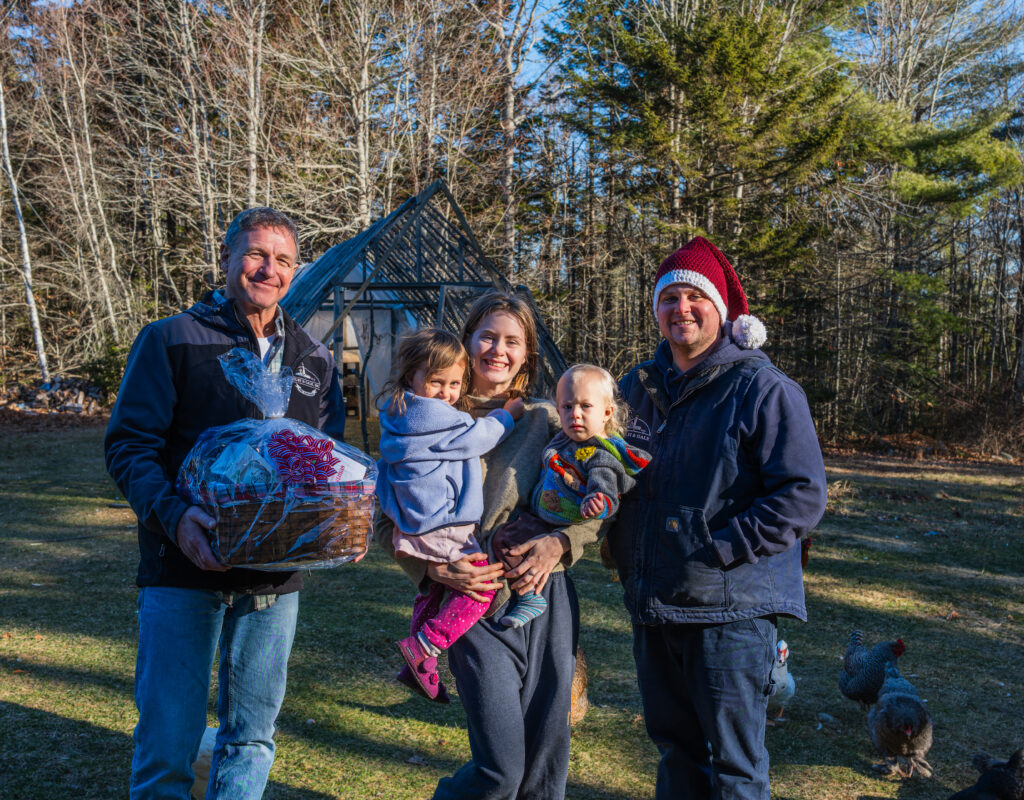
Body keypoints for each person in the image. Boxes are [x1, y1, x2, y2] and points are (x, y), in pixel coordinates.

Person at [105, 207, 346, 800]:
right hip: (183, 567)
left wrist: (337, 524)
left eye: (284, 259)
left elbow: (331, 460)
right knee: (168, 738)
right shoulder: (173, 339)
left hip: (274, 580)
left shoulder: (313, 358)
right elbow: (130, 446)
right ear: (227, 258)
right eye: (257, 254)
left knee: (252, 738)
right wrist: (176, 515)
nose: (270, 269)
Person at [607, 236, 827, 800]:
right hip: (655, 600)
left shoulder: (762, 388)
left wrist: (720, 548)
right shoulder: (636, 388)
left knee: (735, 766)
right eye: (668, 298)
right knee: (676, 751)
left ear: (721, 310)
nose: (681, 308)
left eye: (693, 296)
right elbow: (599, 459)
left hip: (728, 610)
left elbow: (802, 495)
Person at [374, 291, 605, 800]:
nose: (499, 350)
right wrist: (431, 570)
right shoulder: (420, 419)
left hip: (547, 600)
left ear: (527, 355)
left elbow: (602, 493)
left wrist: (560, 544)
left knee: (545, 771)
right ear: (467, 341)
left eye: (513, 341)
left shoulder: (549, 419)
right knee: (499, 772)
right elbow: (382, 517)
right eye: (488, 337)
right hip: (472, 604)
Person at [375, 327, 524, 702]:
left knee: (436, 590)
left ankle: (413, 663)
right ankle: (425, 648)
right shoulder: (435, 415)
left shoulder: (399, 414)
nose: (446, 393)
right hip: (443, 520)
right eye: (437, 381)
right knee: (480, 589)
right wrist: (508, 415)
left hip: (415, 520)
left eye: (454, 384)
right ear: (413, 376)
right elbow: (479, 437)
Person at [491, 363, 649, 628]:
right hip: (542, 514)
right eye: (567, 406)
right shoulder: (563, 441)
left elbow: (606, 494)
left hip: (557, 523)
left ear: (607, 413)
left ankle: (530, 597)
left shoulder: (600, 455)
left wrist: (597, 502)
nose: (575, 414)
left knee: (507, 540)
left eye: (586, 406)